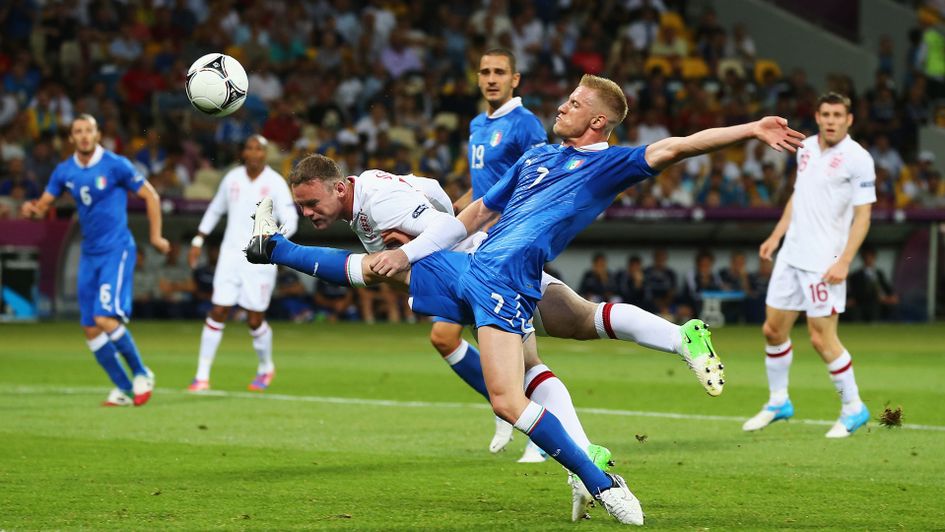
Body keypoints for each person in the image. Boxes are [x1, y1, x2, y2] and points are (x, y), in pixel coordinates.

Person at [248, 74, 801, 524]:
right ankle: (275, 247)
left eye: (576, 103)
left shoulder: (608, 163)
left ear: (598, 121)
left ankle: (603, 480)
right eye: (568, 98)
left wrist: (751, 128)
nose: (564, 106)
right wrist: (413, 255)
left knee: (509, 398)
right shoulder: (536, 156)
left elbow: (679, 146)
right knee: (569, 325)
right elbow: (469, 217)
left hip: (504, 279)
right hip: (474, 263)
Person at [743, 92, 875, 439]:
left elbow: (863, 216)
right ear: (817, 116)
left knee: (821, 339)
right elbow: (798, 196)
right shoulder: (805, 148)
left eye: (838, 115)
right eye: (826, 114)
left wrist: (845, 261)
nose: (831, 120)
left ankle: (853, 407)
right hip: (791, 255)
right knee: (772, 331)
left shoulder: (858, 159)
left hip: (824, 261)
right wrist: (776, 236)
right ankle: (778, 402)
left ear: (849, 120)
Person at [444, 48, 551, 461]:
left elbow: (538, 181)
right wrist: (455, 212)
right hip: (474, 243)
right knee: (448, 335)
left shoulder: (525, 125)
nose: (491, 78)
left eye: (499, 72)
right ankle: (505, 405)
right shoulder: (476, 124)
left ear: (515, 79)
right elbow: (486, 187)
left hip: (506, 249)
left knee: (523, 352)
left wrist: (517, 235)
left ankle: (535, 433)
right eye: (485, 71)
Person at [21, 114, 169, 407]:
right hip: (89, 253)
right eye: (78, 131)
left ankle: (142, 372)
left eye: (89, 130)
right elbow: (43, 205)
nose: (85, 136)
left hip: (116, 249)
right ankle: (124, 388)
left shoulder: (116, 165)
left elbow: (151, 196)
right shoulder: (64, 171)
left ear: (97, 134)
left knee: (105, 317)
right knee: (90, 327)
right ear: (71, 138)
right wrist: (32, 210)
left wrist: (155, 236)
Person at [186, 135, 298, 392]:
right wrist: (198, 239)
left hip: (259, 259)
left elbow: (290, 216)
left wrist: (276, 239)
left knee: (254, 318)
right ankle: (201, 376)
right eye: (249, 148)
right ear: (244, 153)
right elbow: (215, 209)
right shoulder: (232, 178)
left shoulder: (275, 182)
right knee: (218, 311)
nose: (254, 152)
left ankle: (265, 367)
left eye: (259, 149)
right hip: (230, 256)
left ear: (265, 154)